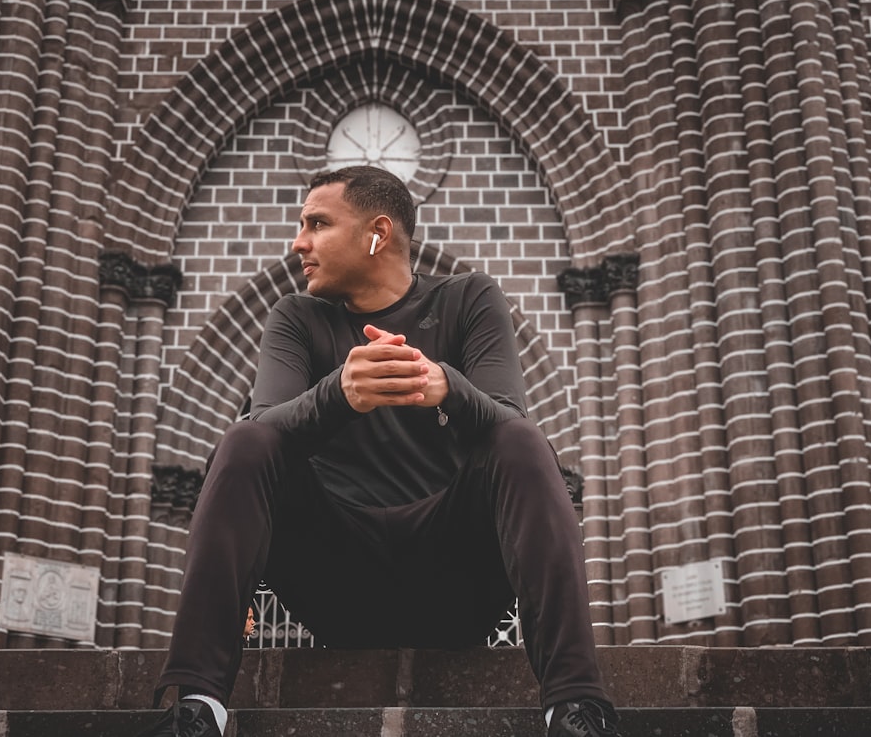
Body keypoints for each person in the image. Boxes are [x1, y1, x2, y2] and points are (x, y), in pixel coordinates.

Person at [136, 166, 621, 737]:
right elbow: (265, 424)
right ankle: (197, 705)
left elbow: (508, 417)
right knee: (244, 437)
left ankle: (574, 706)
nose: (299, 243)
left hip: (455, 582)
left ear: (377, 233)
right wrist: (341, 394)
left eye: (316, 223)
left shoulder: (470, 299)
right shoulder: (296, 319)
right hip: (336, 581)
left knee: (521, 439)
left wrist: (444, 385)